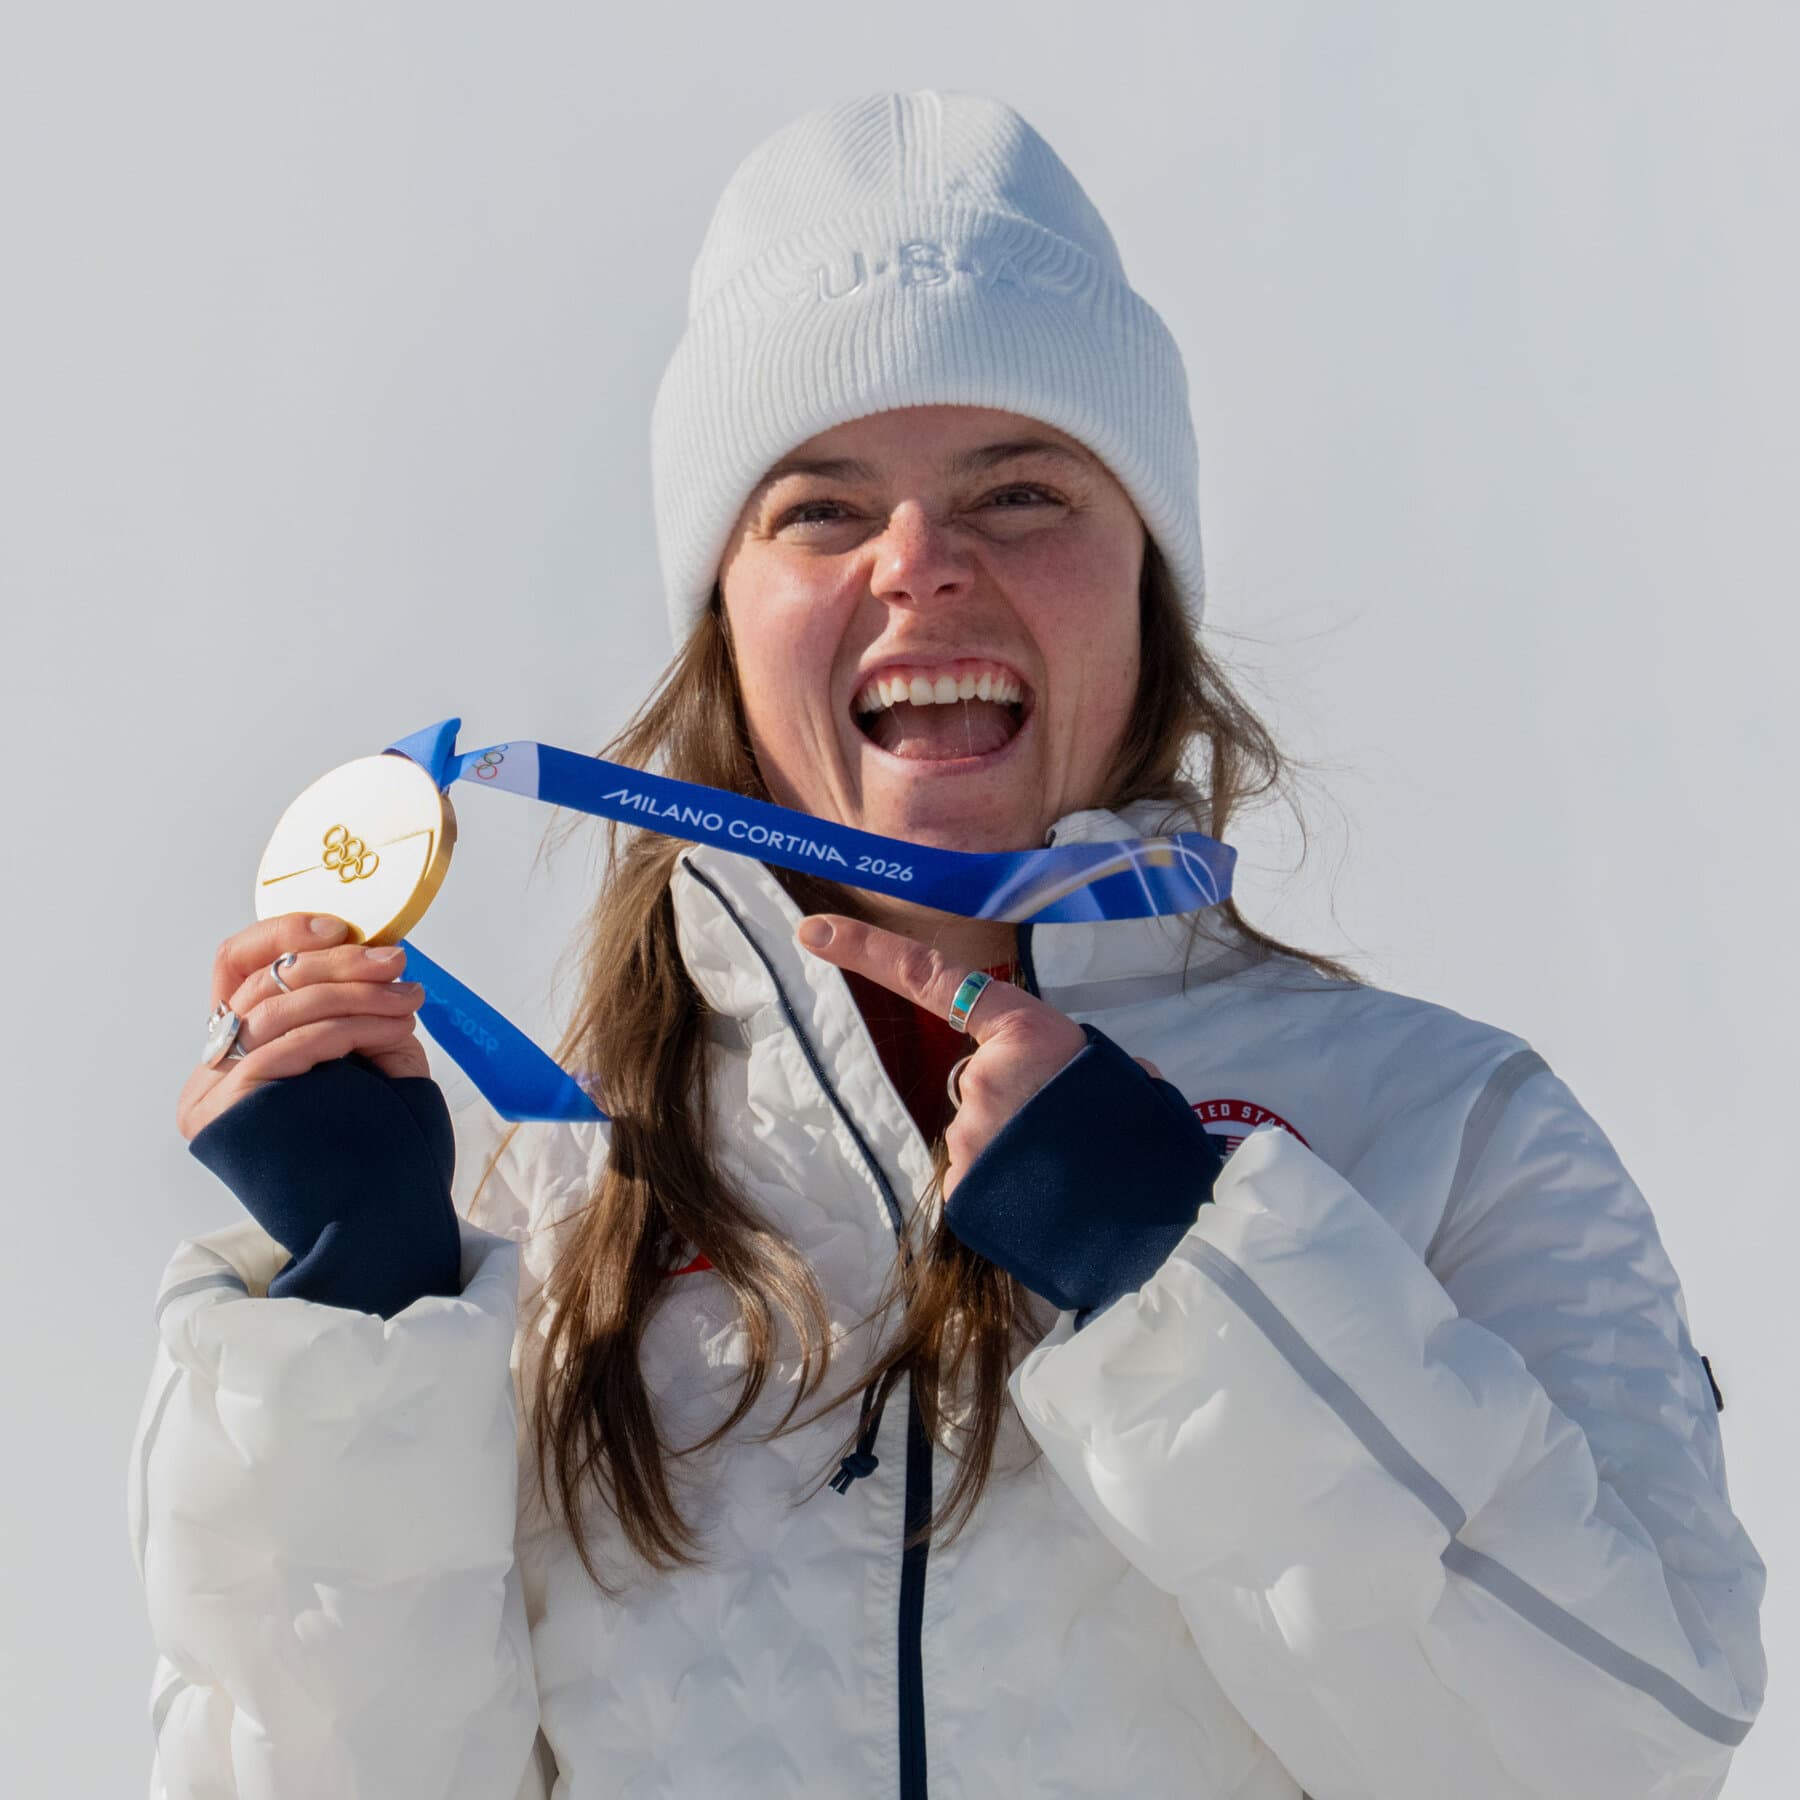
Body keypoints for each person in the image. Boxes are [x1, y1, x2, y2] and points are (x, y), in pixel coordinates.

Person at [133, 90, 1765, 1800]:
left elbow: (1627, 1754)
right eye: (822, 510)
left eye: (1024, 490)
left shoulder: (1451, 1134)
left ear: (1149, 587)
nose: (923, 565)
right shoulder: (531, 1199)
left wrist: (1181, 1271)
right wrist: (359, 1315)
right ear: (726, 625)